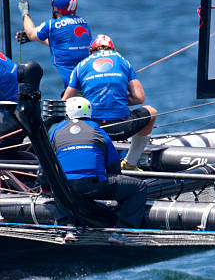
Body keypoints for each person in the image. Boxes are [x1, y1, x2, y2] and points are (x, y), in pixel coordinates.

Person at [62, 34, 157, 170]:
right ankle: (130, 163)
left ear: (91, 50)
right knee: (151, 112)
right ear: (113, 49)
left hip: (92, 130)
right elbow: (139, 98)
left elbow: (66, 101)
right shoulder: (123, 61)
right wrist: (117, 101)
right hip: (122, 128)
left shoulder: (81, 66)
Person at [49, 97, 147, 229]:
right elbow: (113, 164)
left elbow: (45, 166)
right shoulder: (98, 130)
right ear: (90, 114)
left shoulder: (55, 131)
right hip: (95, 185)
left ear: (67, 115)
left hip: (66, 186)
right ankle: (123, 231)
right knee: (139, 187)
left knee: (57, 185)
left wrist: (45, 188)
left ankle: (67, 226)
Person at [17, 0, 91, 90]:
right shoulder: (84, 23)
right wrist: (35, 39)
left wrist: (25, 13)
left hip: (72, 87)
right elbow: (60, 44)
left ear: (55, 8)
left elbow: (30, 33)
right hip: (87, 82)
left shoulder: (51, 25)